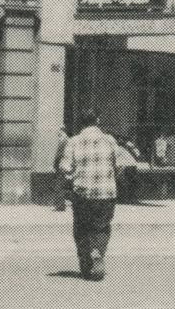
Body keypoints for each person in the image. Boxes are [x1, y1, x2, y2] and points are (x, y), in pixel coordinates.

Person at [62, 109, 119, 281]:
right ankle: (98, 251)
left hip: (82, 192)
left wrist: (70, 179)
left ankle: (86, 265)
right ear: (98, 120)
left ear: (81, 123)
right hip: (106, 193)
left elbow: (66, 168)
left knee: (81, 228)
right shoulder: (109, 140)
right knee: (102, 227)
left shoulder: (73, 141)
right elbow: (118, 164)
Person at [52, 127, 70, 211]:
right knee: (61, 185)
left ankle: (60, 205)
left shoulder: (63, 141)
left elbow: (59, 155)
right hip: (65, 165)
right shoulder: (67, 140)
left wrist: (55, 164)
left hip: (61, 165)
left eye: (60, 132)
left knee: (59, 185)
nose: (58, 133)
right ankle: (60, 204)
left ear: (63, 132)